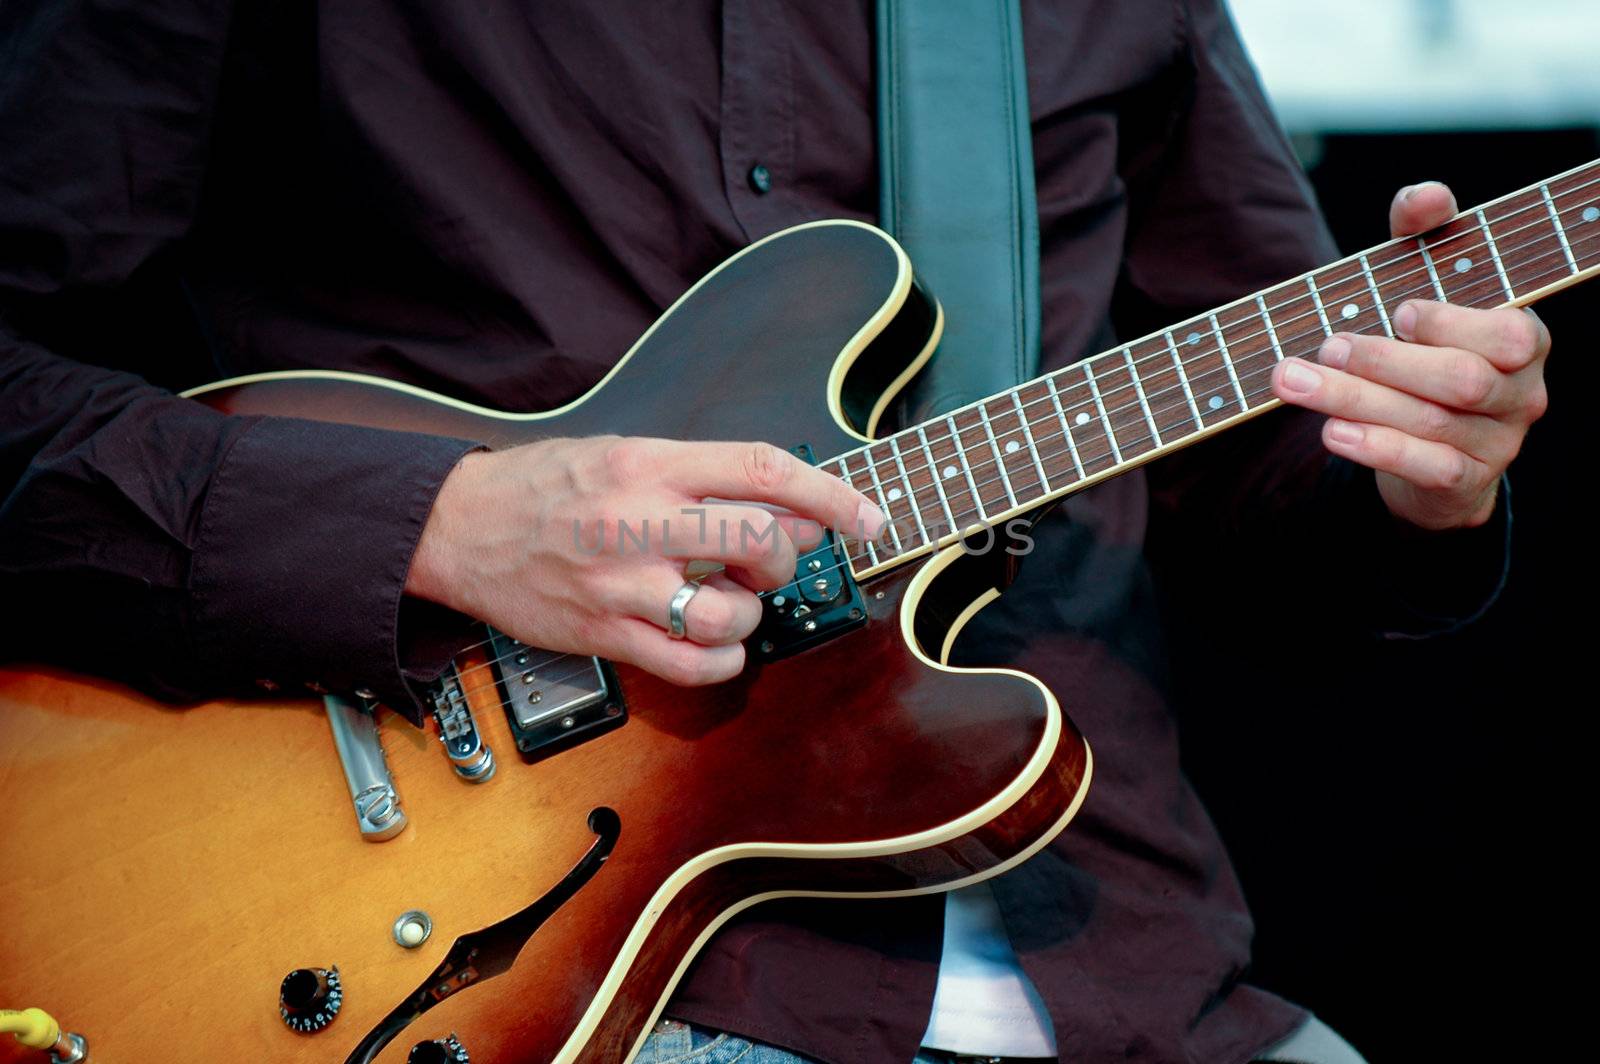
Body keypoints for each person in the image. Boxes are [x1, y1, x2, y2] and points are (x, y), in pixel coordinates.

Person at [0, 3, 1548, 1063]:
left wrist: (1417, 472)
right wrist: (440, 523)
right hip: (515, 963)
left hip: (1114, 967)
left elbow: (1266, 501)